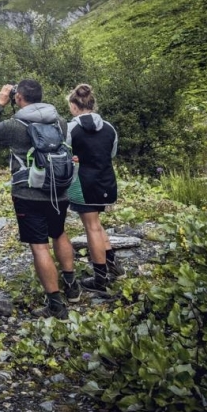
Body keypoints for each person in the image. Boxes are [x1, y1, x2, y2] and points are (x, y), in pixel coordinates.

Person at [0, 79, 80, 319]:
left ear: (18, 97)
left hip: (28, 192)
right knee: (59, 233)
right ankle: (72, 286)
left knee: (39, 245)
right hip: (59, 189)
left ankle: (55, 304)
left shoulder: (14, 125)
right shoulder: (60, 121)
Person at [66, 83, 121, 290]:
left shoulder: (71, 128)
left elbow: (65, 154)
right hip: (106, 180)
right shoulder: (109, 127)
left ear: (74, 106)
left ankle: (100, 278)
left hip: (83, 183)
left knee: (91, 228)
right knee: (96, 224)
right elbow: (112, 153)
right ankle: (113, 264)